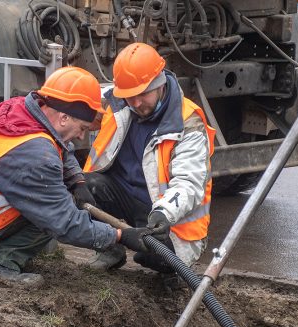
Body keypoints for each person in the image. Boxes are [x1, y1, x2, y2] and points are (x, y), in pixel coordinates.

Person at [0, 66, 151, 286]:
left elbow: (59, 146)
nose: (81, 135)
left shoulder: (24, 110)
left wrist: (77, 180)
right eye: (82, 127)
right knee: (52, 213)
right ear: (63, 118)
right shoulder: (34, 155)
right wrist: (119, 236)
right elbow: (64, 223)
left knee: (53, 198)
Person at [82, 43, 216, 273]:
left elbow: (188, 183)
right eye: (129, 96)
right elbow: (71, 107)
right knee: (85, 185)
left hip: (166, 219)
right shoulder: (118, 102)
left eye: (142, 94)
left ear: (159, 83)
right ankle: (110, 250)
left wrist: (163, 213)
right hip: (124, 198)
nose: (135, 103)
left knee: (156, 258)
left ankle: (168, 272)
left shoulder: (188, 123)